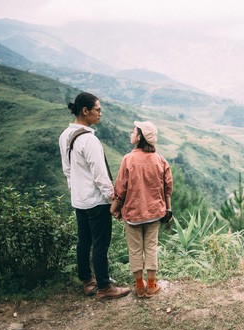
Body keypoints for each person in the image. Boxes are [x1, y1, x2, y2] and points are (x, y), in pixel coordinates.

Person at [59, 92, 131, 300]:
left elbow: (67, 170)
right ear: (85, 111)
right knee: (100, 243)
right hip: (96, 201)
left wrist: (76, 191)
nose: (100, 113)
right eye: (98, 110)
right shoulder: (89, 140)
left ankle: (87, 281)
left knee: (84, 240)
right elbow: (101, 176)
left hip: (79, 200)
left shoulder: (65, 135)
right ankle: (104, 287)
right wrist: (114, 201)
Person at [110, 120, 173, 298]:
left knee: (135, 250)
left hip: (133, 214)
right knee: (151, 247)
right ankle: (151, 286)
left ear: (140, 137)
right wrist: (168, 210)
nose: (131, 134)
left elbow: (121, 188)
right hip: (154, 213)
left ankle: (139, 287)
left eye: (133, 132)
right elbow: (168, 188)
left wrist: (114, 208)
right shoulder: (160, 160)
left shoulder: (128, 159)